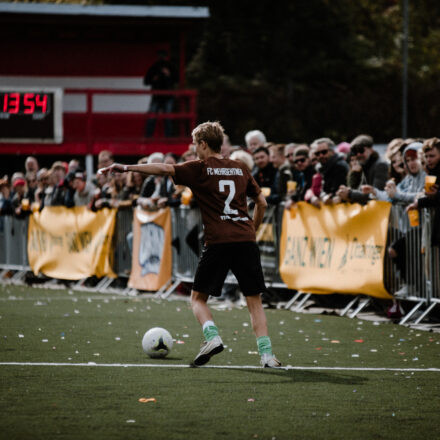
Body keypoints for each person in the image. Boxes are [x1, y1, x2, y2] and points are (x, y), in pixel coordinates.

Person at [99, 121, 281, 368]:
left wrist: (125, 166)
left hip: (218, 241)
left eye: (196, 144)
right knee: (253, 300)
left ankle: (212, 337)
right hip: (245, 240)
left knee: (197, 299)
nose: (194, 149)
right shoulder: (240, 167)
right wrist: (252, 228)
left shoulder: (200, 168)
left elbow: (164, 169)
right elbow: (262, 203)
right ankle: (267, 355)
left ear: (204, 144)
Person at [337, 134, 388, 204]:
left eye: (361, 150)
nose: (358, 154)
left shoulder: (380, 165)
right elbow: (357, 190)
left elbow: (376, 193)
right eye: (355, 151)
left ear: (371, 149)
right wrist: (354, 174)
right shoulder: (363, 165)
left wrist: (349, 194)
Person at [143, 50, 177, 137]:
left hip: (168, 96)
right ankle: (148, 137)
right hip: (157, 96)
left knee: (168, 118)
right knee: (152, 117)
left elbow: (176, 79)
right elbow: (146, 81)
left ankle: (168, 138)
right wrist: (154, 78)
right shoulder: (154, 67)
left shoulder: (170, 67)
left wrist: (168, 75)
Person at [311, 137, 348, 205]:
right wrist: (324, 196)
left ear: (332, 151)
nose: (321, 155)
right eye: (317, 153)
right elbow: (323, 190)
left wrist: (327, 197)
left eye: (324, 152)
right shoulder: (321, 168)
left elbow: (337, 192)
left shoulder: (339, 166)